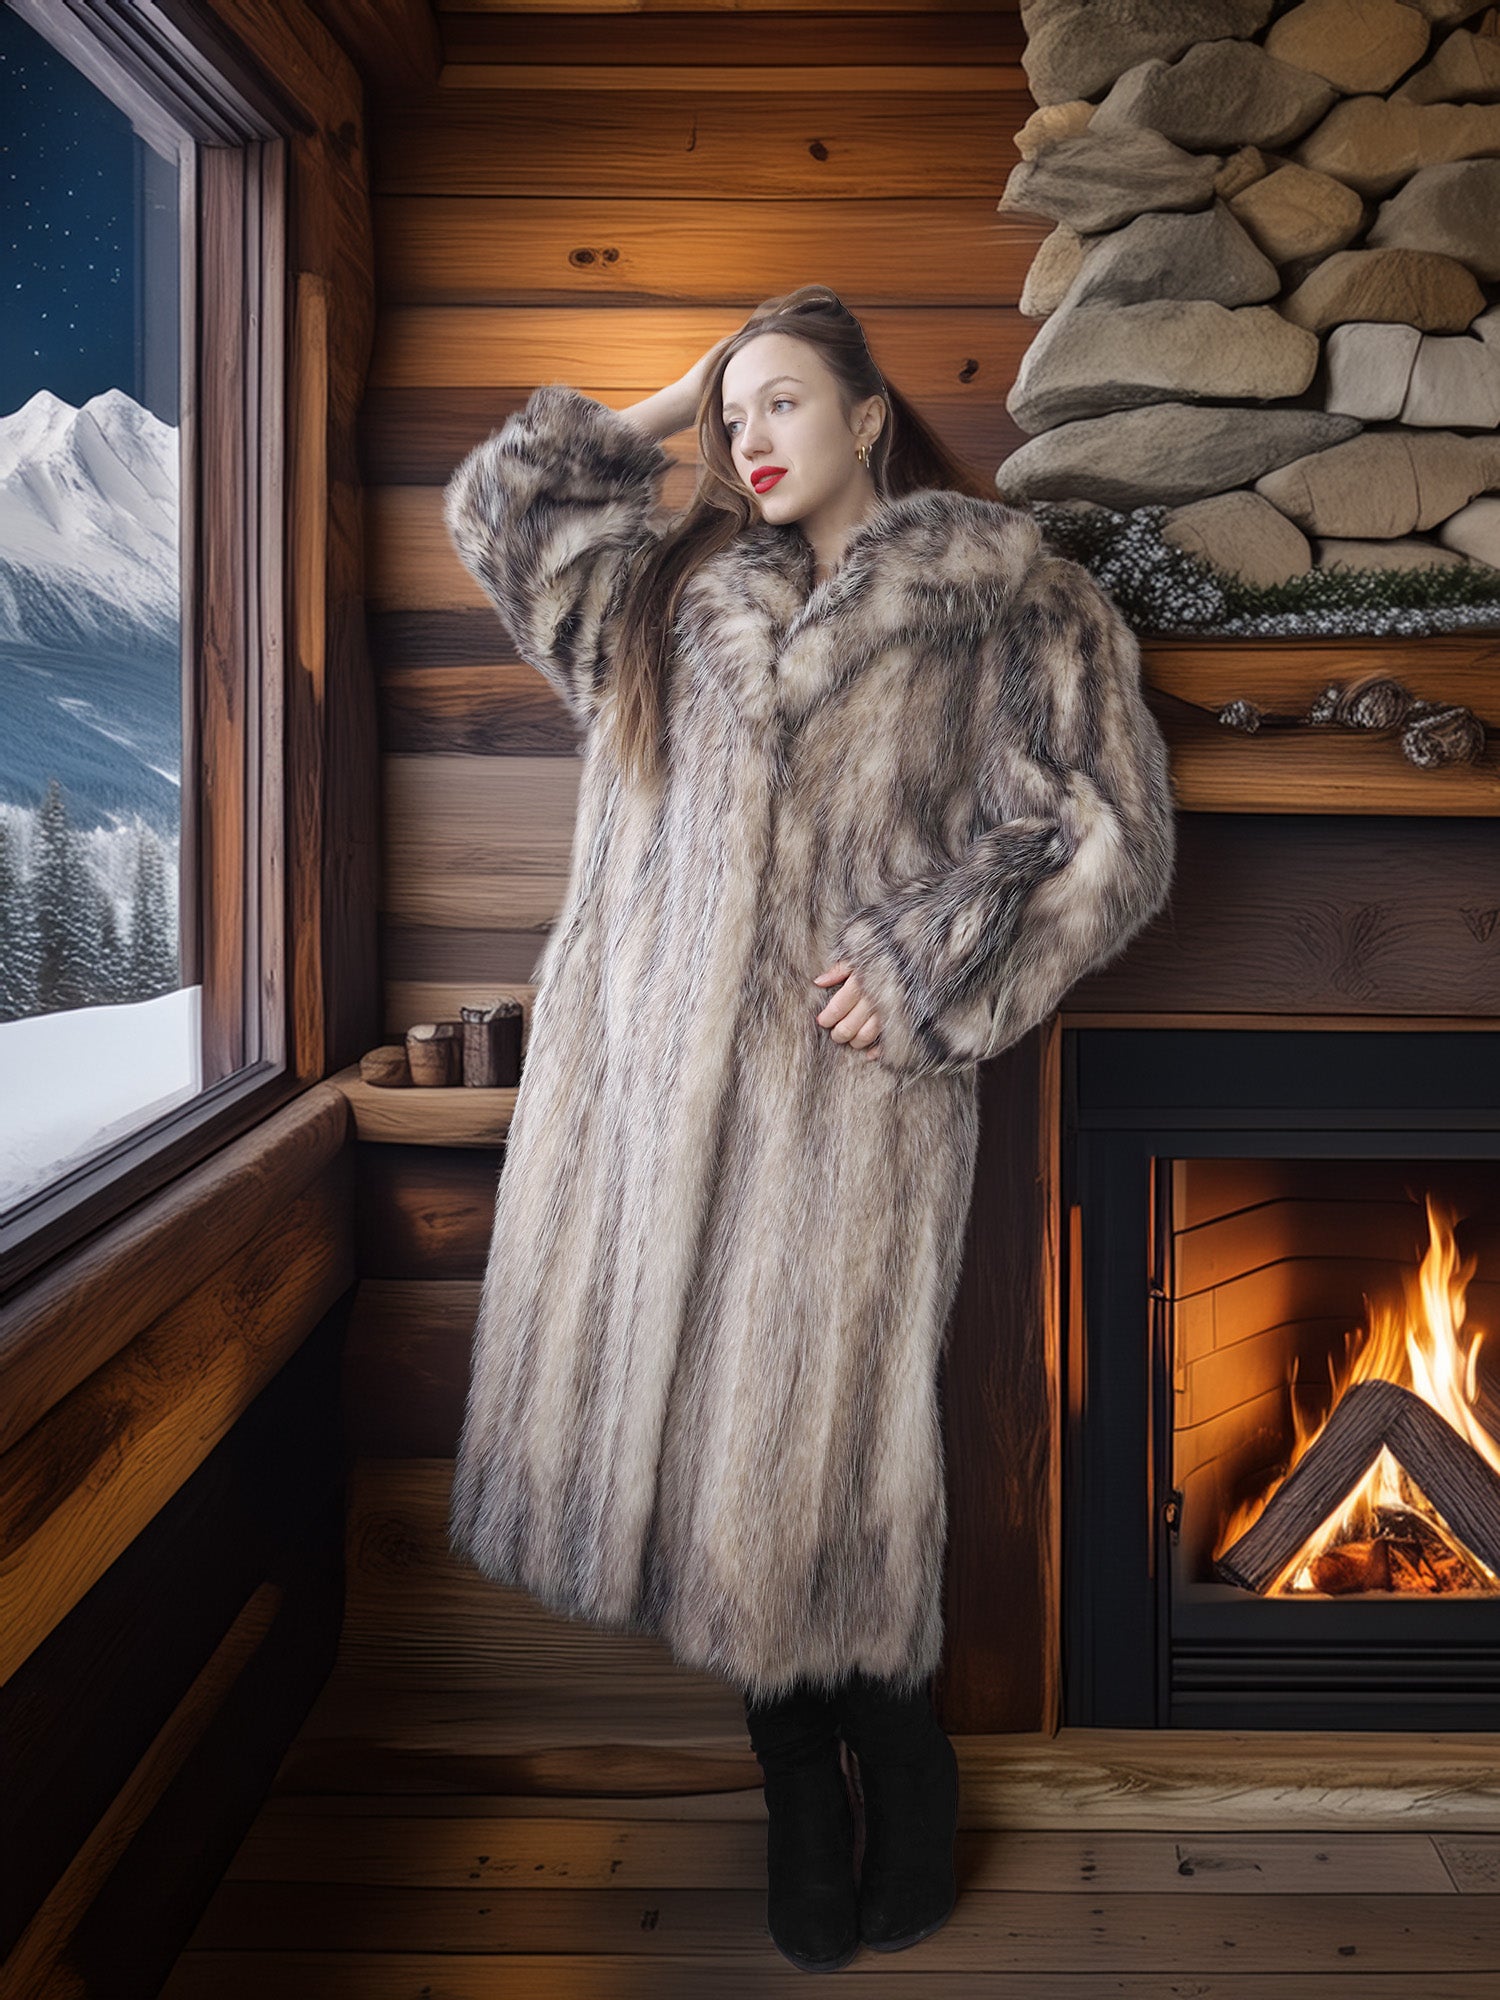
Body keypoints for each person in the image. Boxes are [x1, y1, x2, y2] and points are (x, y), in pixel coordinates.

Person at [442, 284, 1177, 1971]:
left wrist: (929, 968)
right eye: (734, 414)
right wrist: (670, 393)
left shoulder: (1010, 605)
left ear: (869, 417)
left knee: (824, 1451)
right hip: (638, 1114)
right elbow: (506, 509)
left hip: (848, 1115)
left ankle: (900, 1758)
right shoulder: (661, 593)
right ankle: (787, 1773)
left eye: (784, 402)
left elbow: (1103, 838)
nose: (750, 438)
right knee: (714, 1456)